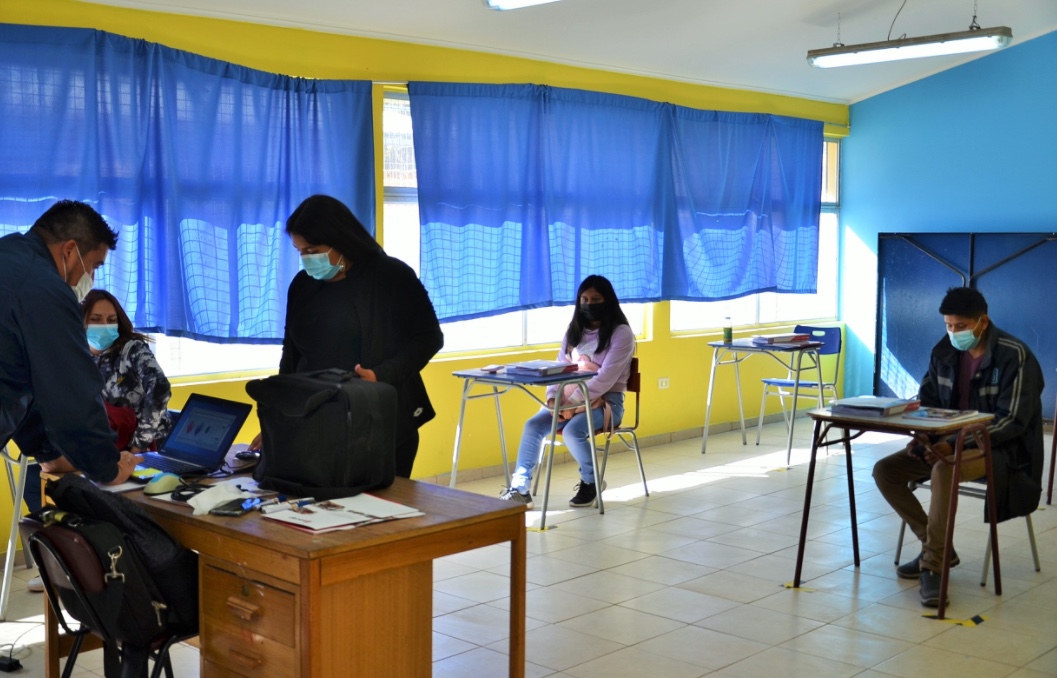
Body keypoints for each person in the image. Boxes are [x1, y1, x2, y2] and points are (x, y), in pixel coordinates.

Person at [872, 287, 1044, 608]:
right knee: (886, 471)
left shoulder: (1013, 356)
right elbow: (928, 401)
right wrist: (923, 435)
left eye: (960, 326)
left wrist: (953, 444)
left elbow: (1013, 422)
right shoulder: (944, 353)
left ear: (983, 322)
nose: (953, 332)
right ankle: (937, 548)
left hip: (1002, 452)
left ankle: (933, 567)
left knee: (943, 468)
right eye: (948, 325)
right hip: (947, 444)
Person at [249, 195, 443, 478]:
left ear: (340, 240)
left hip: (380, 420)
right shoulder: (303, 286)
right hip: (316, 424)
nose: (306, 259)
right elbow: (290, 357)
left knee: (380, 514)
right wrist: (277, 420)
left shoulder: (391, 276)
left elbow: (428, 338)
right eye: (300, 251)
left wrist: (381, 375)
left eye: (312, 249)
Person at [0, 200, 143, 497]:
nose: (89, 277)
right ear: (69, 250)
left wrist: (48, 451)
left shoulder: (10, 258)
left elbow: (20, 377)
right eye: (93, 265)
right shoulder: (45, 289)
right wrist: (107, 467)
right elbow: (70, 391)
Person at [500, 275, 636, 509]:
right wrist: (553, 397)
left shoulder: (621, 333)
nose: (589, 303)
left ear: (608, 300)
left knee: (573, 431)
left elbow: (605, 379)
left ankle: (591, 481)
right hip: (566, 399)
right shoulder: (574, 331)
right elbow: (558, 368)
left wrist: (569, 403)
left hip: (607, 404)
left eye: (595, 298)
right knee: (533, 426)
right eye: (584, 299)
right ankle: (520, 489)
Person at [81, 289, 173, 452]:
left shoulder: (132, 349)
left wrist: (139, 444)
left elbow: (160, 387)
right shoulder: (77, 357)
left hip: (150, 447)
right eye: (95, 320)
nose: (104, 326)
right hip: (106, 447)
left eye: (111, 320)